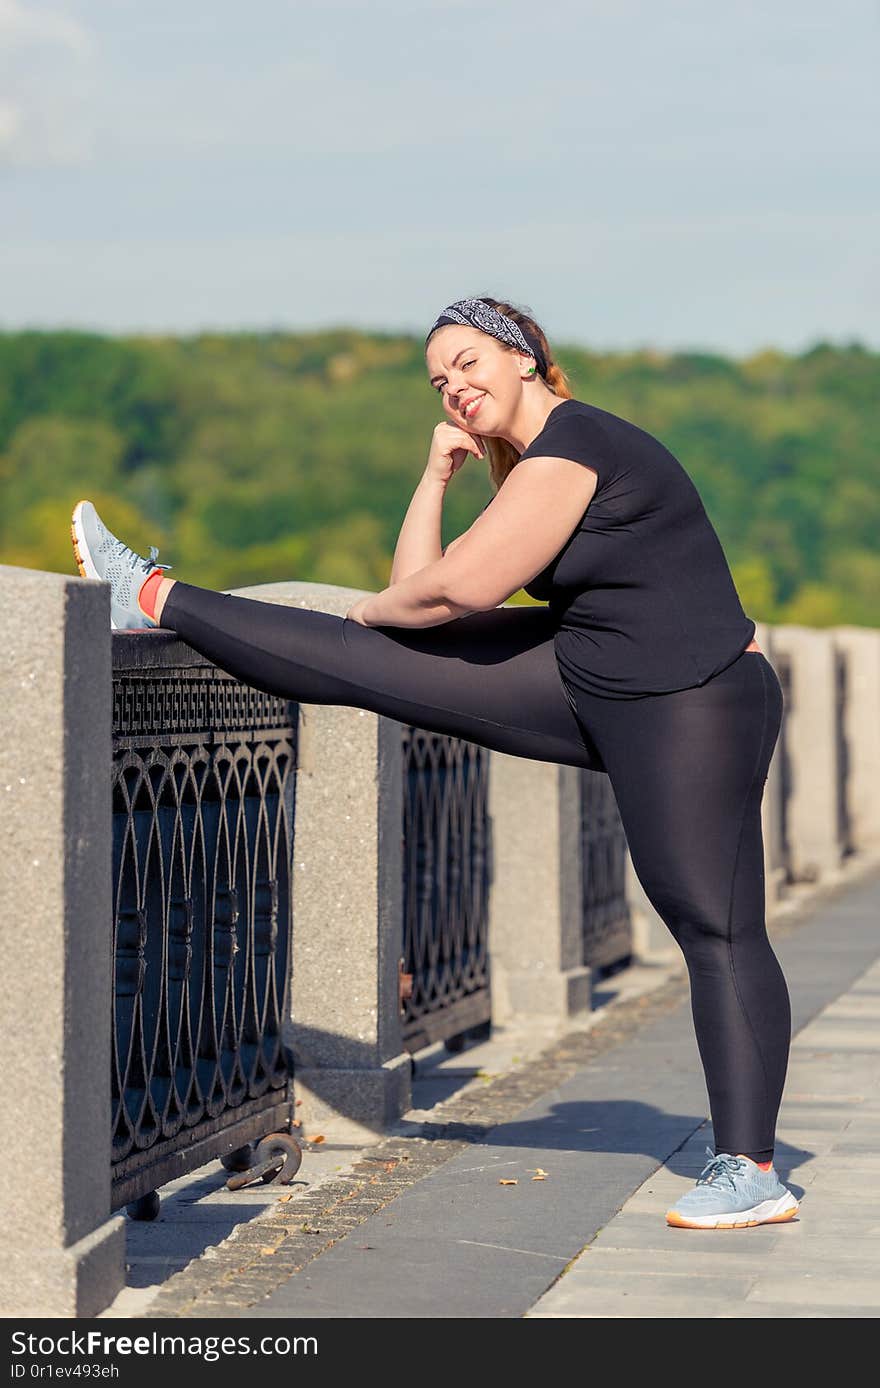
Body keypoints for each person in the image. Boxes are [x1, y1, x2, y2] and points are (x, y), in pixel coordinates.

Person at [70, 294, 799, 1231]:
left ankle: (752, 1168)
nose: (454, 387)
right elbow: (416, 590)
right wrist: (432, 483)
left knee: (715, 926)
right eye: (438, 378)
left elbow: (452, 592)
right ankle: (152, 597)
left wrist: (354, 623)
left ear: (525, 356)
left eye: (468, 362)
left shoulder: (580, 443)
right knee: (374, 667)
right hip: (592, 672)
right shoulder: (532, 467)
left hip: (692, 699)